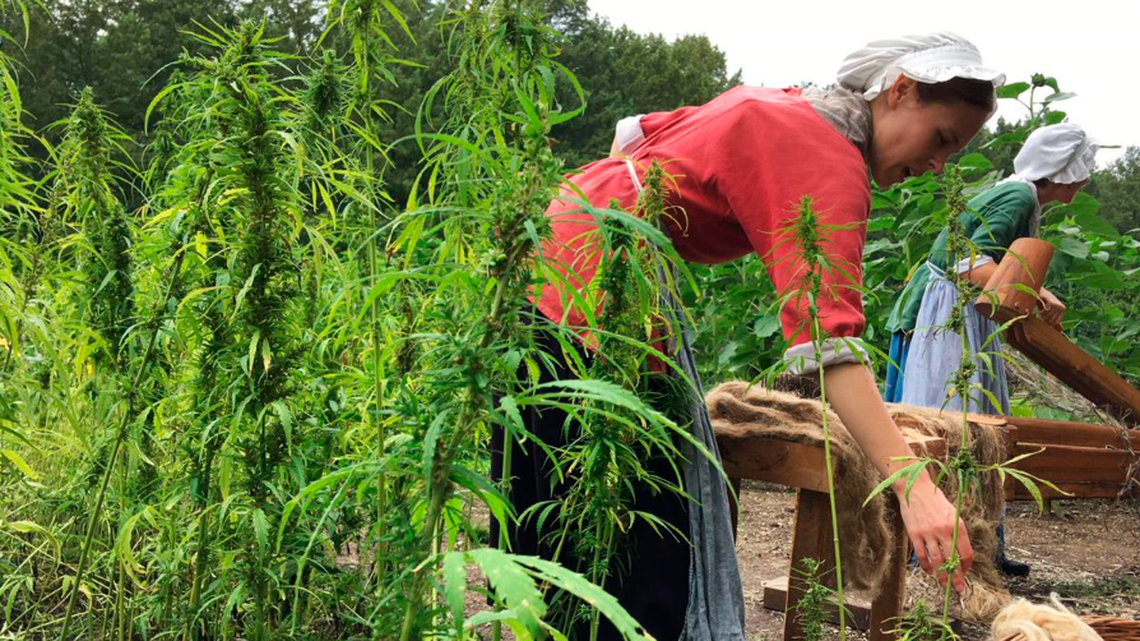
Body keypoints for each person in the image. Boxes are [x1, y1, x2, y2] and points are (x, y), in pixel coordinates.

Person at [493, 33, 1004, 640]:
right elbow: (828, 346)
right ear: (898, 92)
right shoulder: (828, 154)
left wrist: (636, 236)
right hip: (597, 295)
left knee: (551, 517)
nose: (936, 166)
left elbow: (633, 134)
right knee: (638, 548)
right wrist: (915, 487)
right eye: (941, 139)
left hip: (539, 266)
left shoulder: (781, 104)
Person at [884, 122, 1098, 576]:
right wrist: (1034, 293)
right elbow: (963, 260)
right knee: (954, 422)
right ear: (1065, 170)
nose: (1085, 179)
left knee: (976, 423)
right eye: (1083, 171)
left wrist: (1038, 289)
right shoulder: (1019, 197)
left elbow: (993, 261)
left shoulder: (1019, 195)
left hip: (963, 313)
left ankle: (979, 545)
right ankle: (934, 546)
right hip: (947, 315)